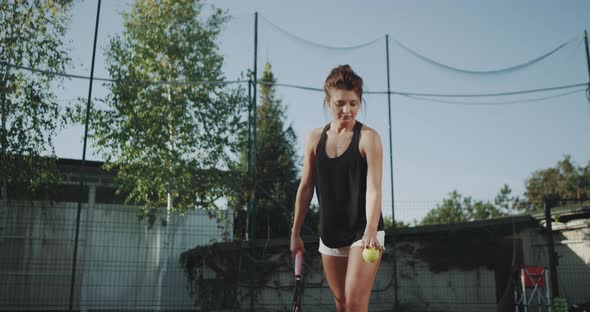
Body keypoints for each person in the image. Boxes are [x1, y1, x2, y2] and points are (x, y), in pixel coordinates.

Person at [290, 64, 385, 312]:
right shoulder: (314, 139)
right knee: (342, 307)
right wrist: (295, 232)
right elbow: (306, 187)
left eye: (354, 103)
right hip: (329, 233)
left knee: (354, 305)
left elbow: (374, 188)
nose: (347, 110)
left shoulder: (369, 138)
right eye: (340, 103)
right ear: (328, 102)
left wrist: (371, 230)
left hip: (363, 232)